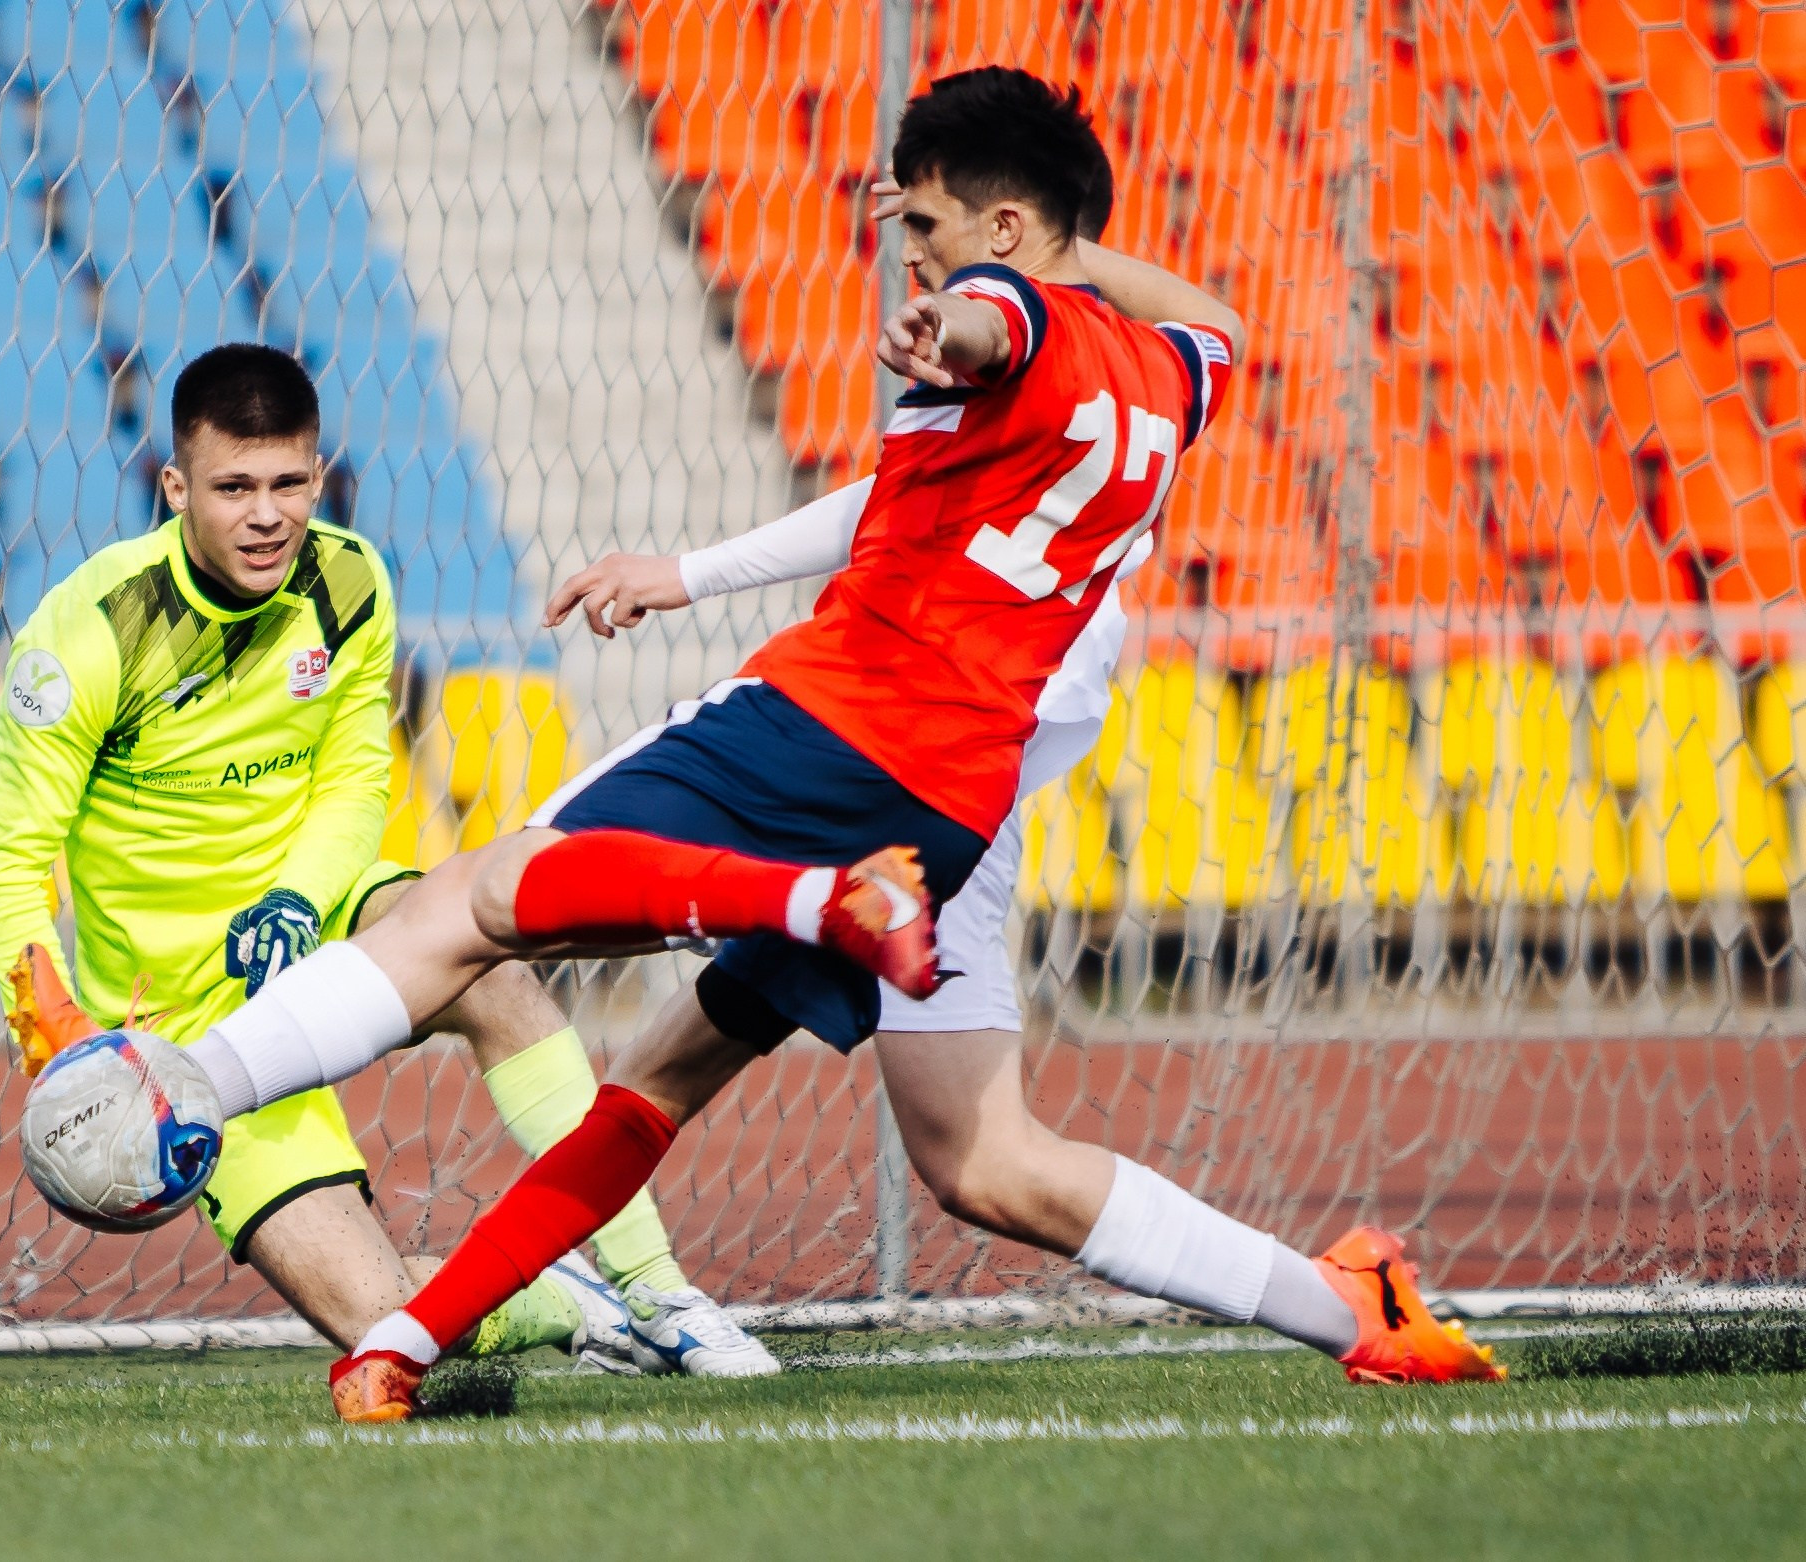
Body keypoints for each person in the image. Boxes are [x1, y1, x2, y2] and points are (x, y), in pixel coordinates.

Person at [159, 70, 1502, 1421]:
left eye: (923, 222)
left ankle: (180, 1087)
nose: (905, 251)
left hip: (831, 730)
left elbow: (994, 321)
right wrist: (1039, 247)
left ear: (1003, 229)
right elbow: (1201, 323)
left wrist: (967, 304)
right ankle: (1347, 1305)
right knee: (958, 1153)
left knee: (475, 902)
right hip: (954, 808)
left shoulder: (1001, 314)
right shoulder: (1169, 372)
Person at [0, 342, 776, 1378]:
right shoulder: (89, 632)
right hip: (182, 1021)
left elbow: (355, 779)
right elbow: (9, 859)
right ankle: (566, 1301)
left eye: (287, 483)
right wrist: (59, 1033)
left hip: (324, 909)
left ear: (319, 474)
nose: (266, 515)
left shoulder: (348, 578)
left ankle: (658, 1289)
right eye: (233, 487)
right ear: (175, 488)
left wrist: (296, 897)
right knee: (385, 1322)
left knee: (490, 965)